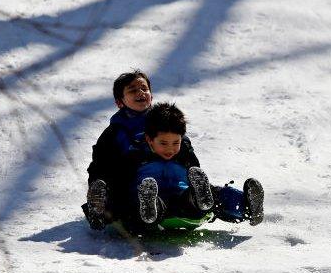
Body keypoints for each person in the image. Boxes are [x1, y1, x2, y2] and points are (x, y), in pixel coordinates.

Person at [83, 70, 263, 229]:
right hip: (137, 184)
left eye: (144, 89)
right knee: (125, 201)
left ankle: (246, 206)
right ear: (120, 102)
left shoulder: (167, 120)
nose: (140, 93)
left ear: (151, 96)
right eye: (132, 90)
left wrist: (192, 172)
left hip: (177, 181)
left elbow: (187, 153)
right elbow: (100, 164)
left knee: (210, 196)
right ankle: (105, 210)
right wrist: (99, 187)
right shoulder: (115, 132)